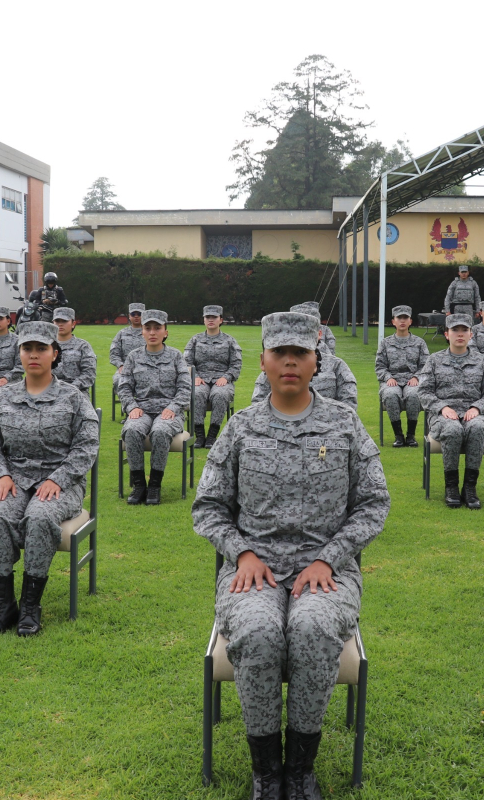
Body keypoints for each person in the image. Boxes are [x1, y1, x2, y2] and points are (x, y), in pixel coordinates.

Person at [192, 311, 389, 799]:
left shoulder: (343, 425)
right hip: (252, 569)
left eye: (299, 353)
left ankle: (300, 769)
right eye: (279, 353)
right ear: (262, 360)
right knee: (258, 631)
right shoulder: (241, 428)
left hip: (327, 570)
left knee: (313, 627)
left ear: (316, 360)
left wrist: (331, 557)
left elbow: (373, 503)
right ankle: (266, 770)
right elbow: (209, 507)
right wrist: (241, 553)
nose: (289, 362)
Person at [0, 321, 100, 637]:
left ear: (54, 354)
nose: (33, 355)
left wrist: (59, 479)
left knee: (40, 517)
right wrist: (1, 475)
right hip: (14, 478)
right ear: (19, 353)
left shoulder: (72, 398)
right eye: (27, 348)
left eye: (41, 349)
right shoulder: (3, 397)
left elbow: (87, 446)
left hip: (61, 482)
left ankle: (31, 606)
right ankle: (4, 606)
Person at [417, 314, 484, 510]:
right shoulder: (434, 360)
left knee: (478, 426)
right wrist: (442, 407)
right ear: (447, 334)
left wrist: (477, 408)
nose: (460, 334)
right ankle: (451, 487)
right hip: (442, 415)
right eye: (455, 330)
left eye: (464, 330)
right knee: (453, 430)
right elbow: (424, 391)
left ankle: (470, 488)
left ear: (471, 334)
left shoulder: (482, 361)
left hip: (473, 413)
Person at [117, 309, 191, 506]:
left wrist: (174, 407)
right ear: (141, 331)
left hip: (168, 410)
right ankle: (139, 485)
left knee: (160, 431)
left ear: (165, 332)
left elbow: (185, 388)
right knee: (131, 430)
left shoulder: (176, 356)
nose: (152, 332)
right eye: (147, 328)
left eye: (157, 328)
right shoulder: (133, 357)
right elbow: (124, 387)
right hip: (141, 409)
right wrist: (131, 406)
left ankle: (155, 485)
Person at [253, 327, 358, 409]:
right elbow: (259, 400)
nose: (290, 361)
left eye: (301, 352)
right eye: (278, 351)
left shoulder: (336, 364)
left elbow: (349, 400)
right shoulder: (243, 424)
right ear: (263, 361)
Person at [185, 305, 242, 449]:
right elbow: (186, 361)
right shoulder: (195, 340)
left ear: (220, 320)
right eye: (207, 317)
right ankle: (199, 435)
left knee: (220, 394)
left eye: (214, 317)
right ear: (203, 320)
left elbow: (236, 363)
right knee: (196, 393)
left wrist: (227, 377)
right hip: (201, 378)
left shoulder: (229, 341)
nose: (210, 320)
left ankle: (212, 436)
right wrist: (195, 376)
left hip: (221, 379)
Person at [376, 305, 429, 448]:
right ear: (393, 321)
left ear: (410, 321)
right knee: (390, 395)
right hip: (392, 380)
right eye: (399, 318)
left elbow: (425, 365)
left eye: (405, 318)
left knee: (414, 395)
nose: (402, 321)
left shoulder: (419, 343)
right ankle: (398, 436)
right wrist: (388, 378)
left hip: (412, 380)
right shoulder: (385, 343)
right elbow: (380, 366)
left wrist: (417, 377)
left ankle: (410, 436)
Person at [50, 307, 98, 392]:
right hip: (50, 391)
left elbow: (89, 374)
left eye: (64, 321)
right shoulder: (46, 346)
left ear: (73, 323)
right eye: (57, 321)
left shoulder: (83, 346)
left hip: (77, 391)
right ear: (53, 323)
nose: (60, 324)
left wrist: (72, 388)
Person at [109, 302, 146, 393]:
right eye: (133, 314)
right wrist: (120, 365)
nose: (136, 316)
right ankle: (127, 404)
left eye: (139, 314)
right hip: (126, 369)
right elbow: (114, 354)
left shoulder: (150, 333)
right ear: (129, 316)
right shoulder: (122, 334)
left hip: (146, 368)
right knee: (119, 381)